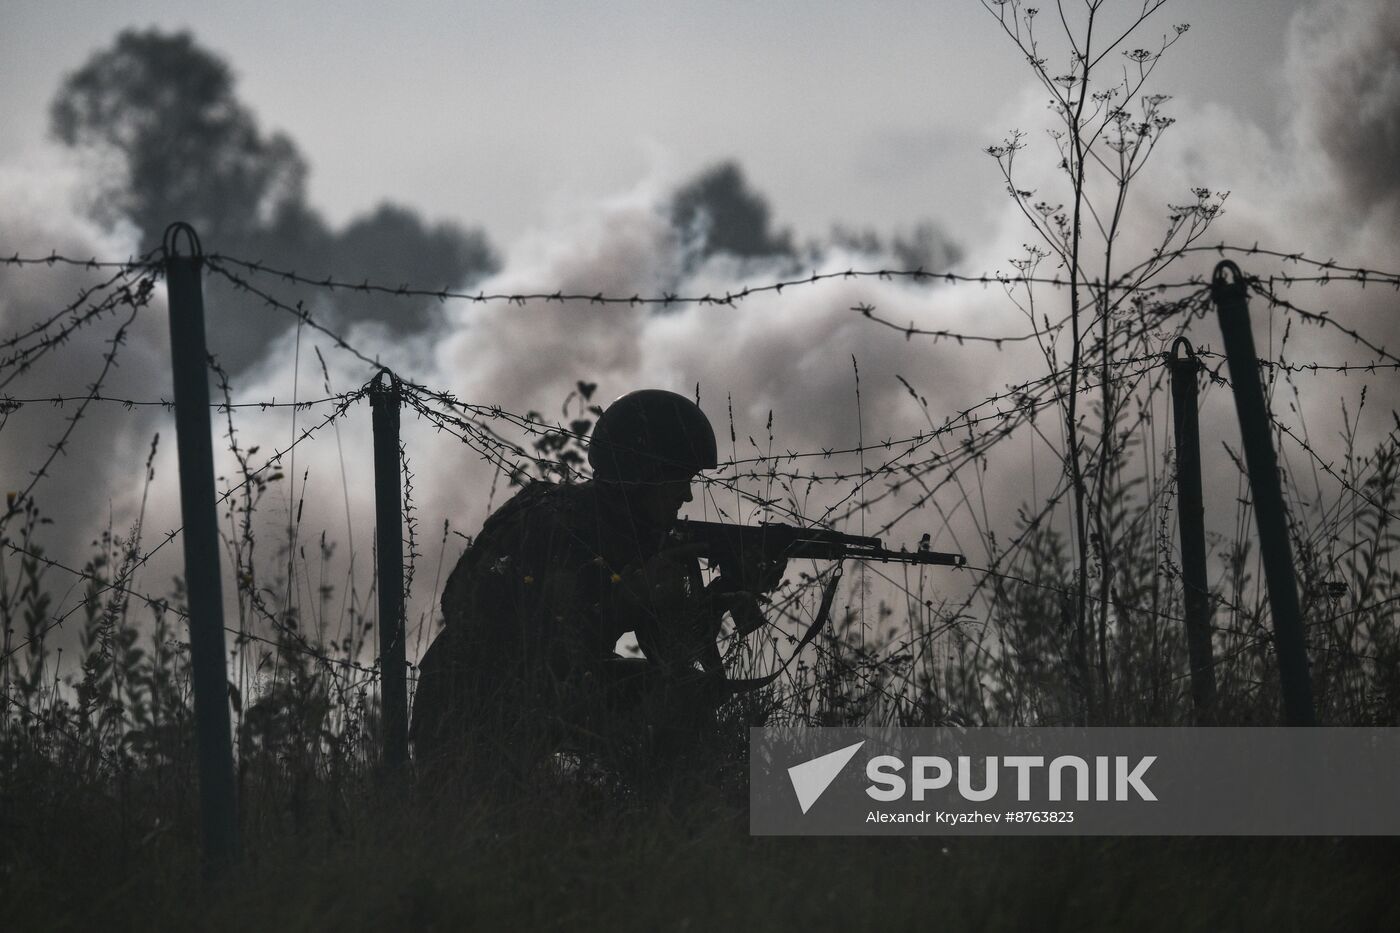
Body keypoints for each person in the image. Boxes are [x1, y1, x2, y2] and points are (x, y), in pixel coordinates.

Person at [410, 389, 779, 766]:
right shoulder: (556, 523)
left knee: (683, 695)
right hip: (470, 709)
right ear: (641, 475)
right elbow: (518, 638)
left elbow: (670, 656)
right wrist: (621, 606)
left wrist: (727, 591)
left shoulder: (635, 535)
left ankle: (667, 817)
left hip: (545, 696)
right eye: (677, 479)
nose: (685, 495)